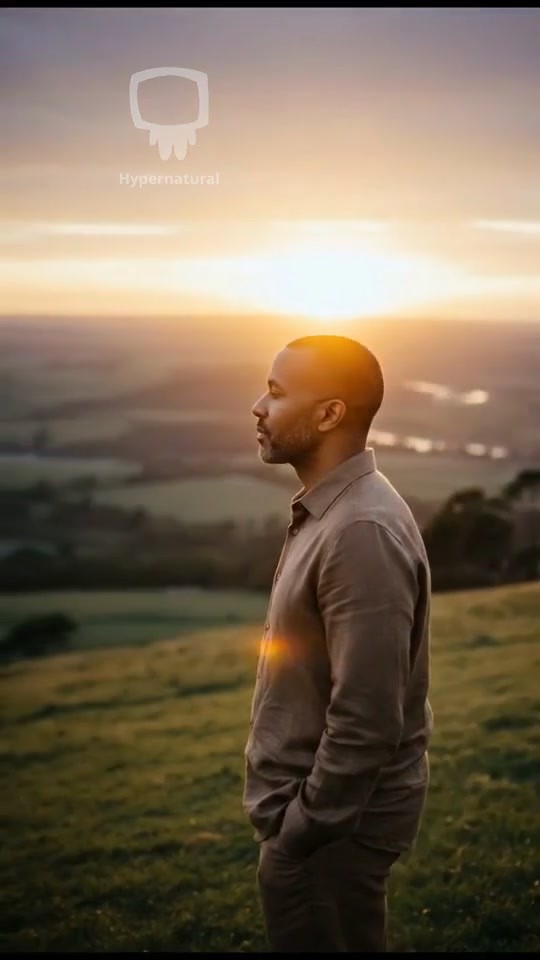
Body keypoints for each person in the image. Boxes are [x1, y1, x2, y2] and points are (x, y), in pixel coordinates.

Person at [243, 334, 433, 953]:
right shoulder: (336, 514)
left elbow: (368, 717)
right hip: (321, 823)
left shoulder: (360, 532)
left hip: (331, 833)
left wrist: (303, 829)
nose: (258, 407)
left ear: (329, 414)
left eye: (276, 392)